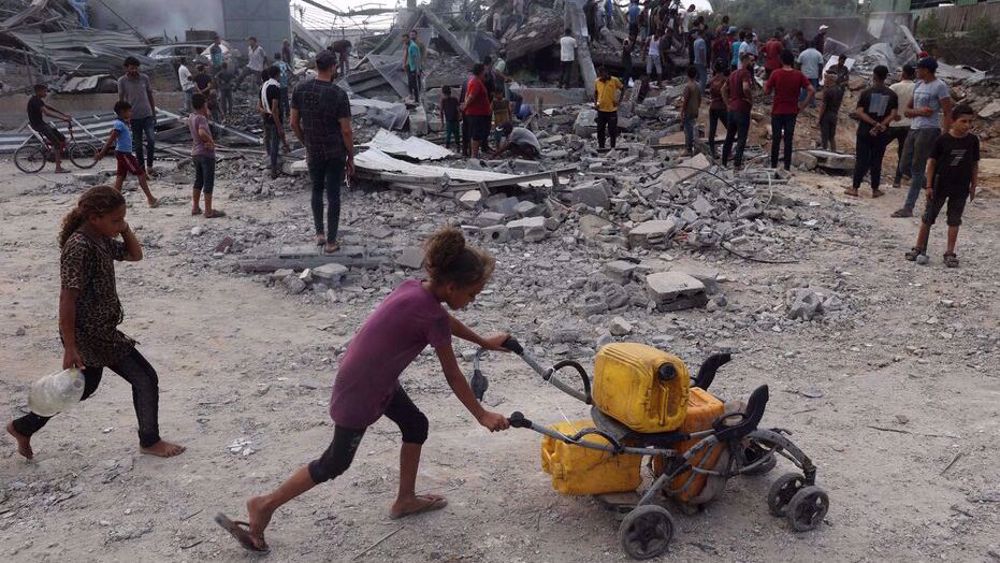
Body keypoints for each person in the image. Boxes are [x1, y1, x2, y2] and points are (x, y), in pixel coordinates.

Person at [215, 227, 511, 554]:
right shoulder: (431, 314)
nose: (471, 302)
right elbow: (453, 374)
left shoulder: (416, 289)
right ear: (452, 285)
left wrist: (483, 341)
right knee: (335, 462)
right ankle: (265, 504)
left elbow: (442, 320)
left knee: (416, 425)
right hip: (362, 391)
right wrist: (481, 414)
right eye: (472, 295)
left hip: (373, 380)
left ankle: (406, 499)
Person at [5, 186, 185, 460]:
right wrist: (70, 346)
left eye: (121, 219)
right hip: (90, 334)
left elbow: (135, 255)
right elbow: (67, 299)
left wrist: (123, 228)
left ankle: (23, 427)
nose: (119, 224)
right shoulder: (79, 247)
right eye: (115, 220)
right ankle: (150, 440)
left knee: (84, 387)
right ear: (93, 217)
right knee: (145, 378)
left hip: (100, 330)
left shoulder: (99, 238)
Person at [291, 51, 353, 255]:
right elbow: (346, 129)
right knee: (333, 193)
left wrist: (306, 141)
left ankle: (319, 234)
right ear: (333, 67)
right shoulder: (338, 94)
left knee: (316, 190)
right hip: (335, 152)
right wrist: (351, 155)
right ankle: (331, 242)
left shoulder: (300, 89)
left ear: (317, 66)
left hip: (314, 150)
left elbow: (293, 123)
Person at [904, 104, 977, 268]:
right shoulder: (942, 140)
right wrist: (928, 186)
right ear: (952, 121)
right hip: (939, 185)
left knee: (954, 220)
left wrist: (973, 186)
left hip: (961, 186)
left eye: (969, 122)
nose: (967, 125)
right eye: (963, 121)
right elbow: (931, 163)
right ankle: (919, 248)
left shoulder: (972, 141)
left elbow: (974, 164)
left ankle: (950, 253)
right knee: (928, 217)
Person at [893, 57, 953, 218]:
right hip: (914, 128)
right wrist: (920, 112)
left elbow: (948, 111)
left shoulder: (939, 86)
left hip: (929, 130)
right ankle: (930, 183)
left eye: (918, 69)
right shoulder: (919, 85)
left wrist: (946, 135)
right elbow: (907, 110)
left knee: (918, 167)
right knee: (904, 166)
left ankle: (908, 207)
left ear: (926, 70)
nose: (916, 71)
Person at [847, 65, 898, 198]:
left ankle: (854, 188)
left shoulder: (866, 93)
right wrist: (880, 124)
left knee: (861, 159)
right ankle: (875, 189)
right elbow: (893, 114)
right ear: (886, 76)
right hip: (882, 133)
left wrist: (873, 123)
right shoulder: (892, 94)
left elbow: (859, 112)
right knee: (877, 160)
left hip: (865, 131)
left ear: (874, 75)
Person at [94, 101, 158, 207]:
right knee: (141, 173)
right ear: (122, 112)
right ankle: (150, 198)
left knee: (120, 177)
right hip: (124, 154)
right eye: (129, 111)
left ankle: (112, 202)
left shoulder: (121, 123)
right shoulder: (119, 124)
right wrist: (102, 153)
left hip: (122, 153)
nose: (131, 113)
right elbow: (111, 139)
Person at [764, 50, 814, 171]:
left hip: (777, 111)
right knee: (788, 140)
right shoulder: (799, 75)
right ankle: (786, 166)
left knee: (776, 139)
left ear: (781, 60)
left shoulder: (776, 73)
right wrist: (802, 107)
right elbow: (811, 90)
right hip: (792, 111)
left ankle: (774, 165)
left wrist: (766, 85)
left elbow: (766, 92)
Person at [189, 93, 223, 218]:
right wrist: (212, 142)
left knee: (198, 180)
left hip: (196, 153)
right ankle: (208, 210)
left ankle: (195, 207)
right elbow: (202, 132)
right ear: (203, 104)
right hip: (206, 154)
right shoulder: (201, 119)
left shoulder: (191, 117)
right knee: (208, 182)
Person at [26, 83, 70, 173]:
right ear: (39, 91)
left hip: (41, 124)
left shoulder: (38, 100)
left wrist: (63, 113)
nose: (46, 93)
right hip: (39, 125)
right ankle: (58, 168)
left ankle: (52, 153)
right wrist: (63, 118)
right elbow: (47, 113)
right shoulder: (35, 101)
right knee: (57, 144)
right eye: (45, 91)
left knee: (59, 135)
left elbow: (48, 107)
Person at [722, 52, 754, 169]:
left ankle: (724, 162)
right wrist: (750, 99)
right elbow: (746, 88)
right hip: (742, 109)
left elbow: (723, 89)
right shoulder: (745, 73)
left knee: (729, 137)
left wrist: (727, 104)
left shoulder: (733, 73)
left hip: (732, 109)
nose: (752, 63)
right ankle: (737, 163)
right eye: (750, 60)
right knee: (741, 138)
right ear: (745, 60)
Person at [889, 64, 917, 189]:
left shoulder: (894, 87)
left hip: (893, 123)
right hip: (909, 125)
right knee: (903, 153)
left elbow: (887, 104)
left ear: (903, 74)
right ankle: (897, 180)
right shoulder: (917, 88)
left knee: (878, 147)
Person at [259, 66, 289, 180]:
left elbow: (259, 106)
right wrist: (279, 125)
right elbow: (275, 108)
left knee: (268, 140)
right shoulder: (275, 88)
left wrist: (267, 112)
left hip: (266, 119)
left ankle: (269, 162)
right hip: (274, 120)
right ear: (277, 74)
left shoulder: (263, 87)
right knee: (275, 145)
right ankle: (273, 170)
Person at [461, 63, 492, 159]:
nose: (485, 72)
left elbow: (467, 95)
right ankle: (474, 156)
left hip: (476, 113)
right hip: (476, 114)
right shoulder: (475, 82)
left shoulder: (474, 80)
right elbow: (470, 97)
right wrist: (464, 107)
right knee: (476, 135)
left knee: (476, 134)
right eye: (484, 70)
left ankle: (474, 154)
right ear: (481, 71)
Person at [594, 66, 624, 150]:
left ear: (606, 73)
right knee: (600, 130)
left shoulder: (614, 80)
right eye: (599, 75)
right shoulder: (597, 81)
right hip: (601, 110)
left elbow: (622, 88)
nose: (600, 76)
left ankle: (613, 147)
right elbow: (596, 93)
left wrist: (619, 100)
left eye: (601, 74)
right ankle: (601, 147)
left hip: (611, 110)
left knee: (612, 130)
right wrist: (596, 103)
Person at [817, 72, 844, 151]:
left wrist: (819, 118)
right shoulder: (839, 90)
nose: (825, 80)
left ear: (830, 80)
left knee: (824, 135)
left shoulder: (828, 91)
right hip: (834, 114)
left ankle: (824, 151)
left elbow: (823, 106)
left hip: (826, 115)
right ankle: (834, 151)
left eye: (826, 79)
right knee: (832, 136)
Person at [707, 61, 728, 158]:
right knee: (730, 129)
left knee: (712, 130)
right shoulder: (724, 80)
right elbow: (726, 94)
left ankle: (712, 152)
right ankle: (728, 151)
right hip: (722, 107)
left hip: (713, 107)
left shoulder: (711, 80)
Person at [681, 65, 701, 155]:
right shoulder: (698, 86)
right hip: (695, 110)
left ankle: (688, 149)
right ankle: (695, 147)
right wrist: (697, 107)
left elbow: (685, 100)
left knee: (688, 130)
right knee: (693, 129)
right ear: (696, 75)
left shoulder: (688, 86)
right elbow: (700, 99)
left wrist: (682, 111)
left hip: (688, 111)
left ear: (687, 75)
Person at [403, 32, 423, 102]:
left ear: (409, 38)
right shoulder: (408, 45)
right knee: (411, 83)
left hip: (415, 68)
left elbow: (416, 58)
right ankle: (412, 96)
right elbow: (407, 56)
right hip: (411, 67)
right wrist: (405, 64)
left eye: (405, 40)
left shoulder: (413, 46)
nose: (404, 42)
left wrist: (417, 69)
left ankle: (417, 100)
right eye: (403, 41)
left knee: (415, 85)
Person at [440, 85, 461, 150]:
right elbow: (458, 110)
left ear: (443, 93)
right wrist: (460, 117)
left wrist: (442, 123)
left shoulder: (443, 100)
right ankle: (457, 147)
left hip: (450, 120)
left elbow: (441, 112)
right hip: (454, 120)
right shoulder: (454, 99)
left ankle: (449, 147)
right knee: (455, 134)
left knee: (450, 135)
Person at [273, 52, 292, 120]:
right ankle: (288, 113)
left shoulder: (275, 65)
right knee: (286, 99)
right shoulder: (285, 63)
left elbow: (273, 75)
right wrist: (287, 79)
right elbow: (291, 72)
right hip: (285, 84)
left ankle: (281, 115)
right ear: (280, 57)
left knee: (280, 100)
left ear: (275, 57)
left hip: (278, 84)